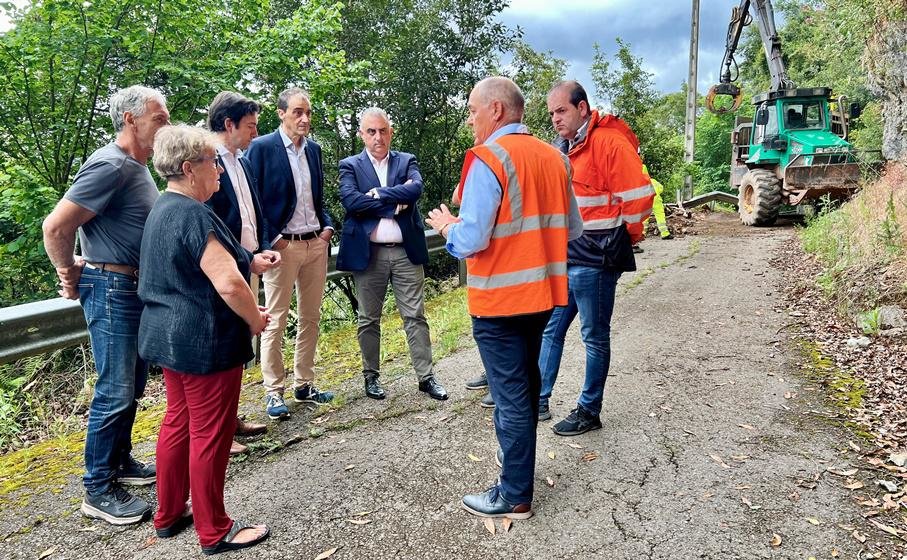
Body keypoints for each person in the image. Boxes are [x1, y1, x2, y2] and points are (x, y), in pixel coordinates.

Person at [426, 76, 581, 519]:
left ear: (496, 110)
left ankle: (513, 496)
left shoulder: (487, 159)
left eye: (473, 111)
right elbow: (572, 229)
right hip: (545, 294)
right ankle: (517, 467)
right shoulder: (556, 158)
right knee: (526, 386)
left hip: (498, 302)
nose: (471, 120)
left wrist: (446, 226)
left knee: (511, 395)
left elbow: (472, 239)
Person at [139, 124, 272, 555]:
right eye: (212, 162)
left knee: (177, 422)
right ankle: (215, 530)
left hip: (167, 337)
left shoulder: (163, 207)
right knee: (210, 434)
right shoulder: (194, 214)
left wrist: (248, 263)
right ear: (187, 168)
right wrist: (255, 319)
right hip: (203, 340)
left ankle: (169, 513)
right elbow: (229, 284)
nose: (218, 169)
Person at [42, 85, 169, 525]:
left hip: (131, 289)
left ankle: (119, 462)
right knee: (115, 389)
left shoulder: (134, 166)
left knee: (131, 385)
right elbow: (56, 226)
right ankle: (97, 489)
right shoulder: (110, 164)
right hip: (112, 289)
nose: (166, 124)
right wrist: (67, 274)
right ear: (131, 120)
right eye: (160, 117)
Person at [539, 80, 654, 436]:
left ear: (582, 108)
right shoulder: (567, 147)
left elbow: (638, 197)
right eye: (552, 113)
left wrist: (624, 237)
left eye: (561, 111)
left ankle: (589, 410)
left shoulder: (608, 142)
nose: (556, 119)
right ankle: (538, 398)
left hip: (597, 259)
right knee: (551, 328)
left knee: (593, 335)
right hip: (570, 256)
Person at [336, 107, 447, 401]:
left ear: (390, 132)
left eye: (383, 131)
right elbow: (350, 201)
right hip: (368, 255)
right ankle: (371, 378)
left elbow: (416, 189)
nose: (378, 137)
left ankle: (426, 377)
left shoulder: (406, 160)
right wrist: (392, 202)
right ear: (361, 134)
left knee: (415, 316)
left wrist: (378, 194)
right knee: (368, 319)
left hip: (404, 253)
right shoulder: (350, 165)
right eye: (371, 131)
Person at [244, 87, 335, 420]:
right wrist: (273, 240)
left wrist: (327, 228)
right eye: (297, 112)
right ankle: (272, 391)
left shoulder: (314, 150)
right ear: (281, 113)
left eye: (308, 112)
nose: (305, 118)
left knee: (311, 317)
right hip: (283, 248)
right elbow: (253, 202)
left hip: (315, 244)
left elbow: (318, 197)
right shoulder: (262, 148)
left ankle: (305, 383)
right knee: (275, 319)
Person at [204, 91, 280, 454]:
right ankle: (220, 432)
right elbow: (212, 225)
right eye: (250, 126)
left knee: (239, 348)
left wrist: (260, 248)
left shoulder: (242, 161)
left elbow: (254, 212)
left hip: (247, 262)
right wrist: (246, 256)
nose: (255, 133)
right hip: (224, 271)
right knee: (225, 348)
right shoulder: (208, 164)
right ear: (228, 124)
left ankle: (230, 421)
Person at [643, 163, 672, 240]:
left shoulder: (640, 183)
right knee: (660, 217)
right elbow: (661, 188)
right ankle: (665, 233)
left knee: (645, 218)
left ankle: (642, 234)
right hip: (656, 201)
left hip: (646, 201)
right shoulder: (653, 181)